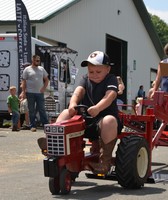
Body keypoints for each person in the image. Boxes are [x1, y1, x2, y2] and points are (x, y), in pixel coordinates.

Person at [38, 50, 122, 174]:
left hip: (105, 121)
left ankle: (105, 162)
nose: (94, 74)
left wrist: (98, 108)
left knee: (109, 120)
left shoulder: (111, 79)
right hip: (85, 119)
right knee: (66, 112)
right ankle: (51, 141)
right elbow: (78, 92)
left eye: (98, 71)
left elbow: (110, 96)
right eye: (91, 71)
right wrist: (72, 104)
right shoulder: (85, 79)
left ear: (108, 69)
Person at [21, 55, 49, 132]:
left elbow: (46, 80)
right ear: (32, 60)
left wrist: (44, 88)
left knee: (42, 109)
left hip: (39, 93)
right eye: (36, 60)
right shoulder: (27, 69)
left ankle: (45, 125)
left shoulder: (41, 69)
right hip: (30, 93)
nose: (38, 62)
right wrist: (23, 92)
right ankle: (32, 126)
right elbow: (23, 81)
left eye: (39, 60)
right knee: (31, 110)